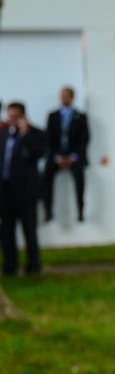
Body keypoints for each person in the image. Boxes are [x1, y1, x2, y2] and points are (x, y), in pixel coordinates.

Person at [0, 102, 47, 275]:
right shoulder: (3, 134)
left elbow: (39, 153)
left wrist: (25, 134)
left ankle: (33, 266)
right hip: (6, 192)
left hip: (26, 192)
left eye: (15, 116)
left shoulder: (35, 133)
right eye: (9, 115)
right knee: (7, 232)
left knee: (29, 230)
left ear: (22, 117)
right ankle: (9, 266)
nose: (11, 119)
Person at [43, 86, 90, 223]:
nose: (63, 98)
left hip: (74, 156)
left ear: (71, 97)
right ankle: (48, 211)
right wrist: (57, 157)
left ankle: (80, 210)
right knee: (46, 175)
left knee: (80, 177)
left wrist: (73, 157)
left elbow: (84, 139)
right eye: (61, 95)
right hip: (57, 155)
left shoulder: (80, 117)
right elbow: (49, 139)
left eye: (66, 95)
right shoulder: (53, 116)